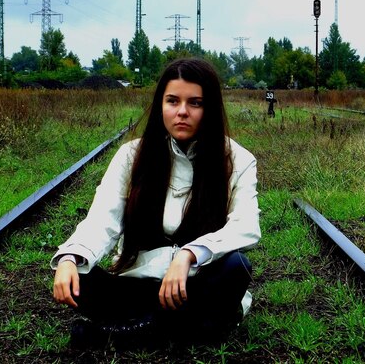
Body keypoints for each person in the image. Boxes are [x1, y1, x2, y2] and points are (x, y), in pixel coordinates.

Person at [51, 57, 261, 346]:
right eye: (172, 101)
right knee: (81, 278)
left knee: (236, 267)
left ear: (210, 107)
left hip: (195, 283)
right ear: (160, 105)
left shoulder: (237, 159)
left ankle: (124, 333)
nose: (182, 112)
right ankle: (176, 329)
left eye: (195, 103)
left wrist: (188, 255)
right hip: (135, 283)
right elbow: (103, 218)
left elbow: (246, 226)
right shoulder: (132, 155)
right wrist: (70, 257)